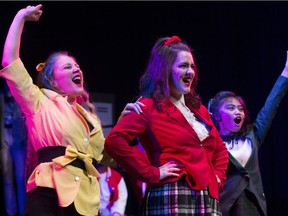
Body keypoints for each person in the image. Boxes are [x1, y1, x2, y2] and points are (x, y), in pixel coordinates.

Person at [0, 4, 141, 216]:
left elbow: (106, 156)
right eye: (67, 67)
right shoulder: (39, 101)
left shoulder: (89, 118)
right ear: (51, 79)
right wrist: (20, 17)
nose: (77, 69)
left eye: (77, 66)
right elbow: (10, 61)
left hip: (85, 202)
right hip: (50, 194)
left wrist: (125, 122)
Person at [105, 36, 229, 215]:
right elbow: (114, 141)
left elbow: (220, 149)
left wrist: (217, 177)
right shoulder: (148, 106)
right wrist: (151, 173)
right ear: (165, 70)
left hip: (207, 197)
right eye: (183, 66)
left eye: (192, 66)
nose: (190, 72)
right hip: (172, 194)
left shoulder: (199, 111)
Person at [207, 52, 288, 216]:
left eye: (240, 108)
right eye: (230, 108)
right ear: (216, 115)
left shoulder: (252, 135)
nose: (238, 111)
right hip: (224, 206)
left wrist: (286, 72)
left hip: (253, 205)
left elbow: (270, 107)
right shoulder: (210, 141)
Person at [0, 79, 27, 216]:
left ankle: (23, 211)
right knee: (7, 177)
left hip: (18, 139)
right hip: (4, 135)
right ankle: (11, 212)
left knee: (20, 177)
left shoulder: (20, 97)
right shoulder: (1, 97)